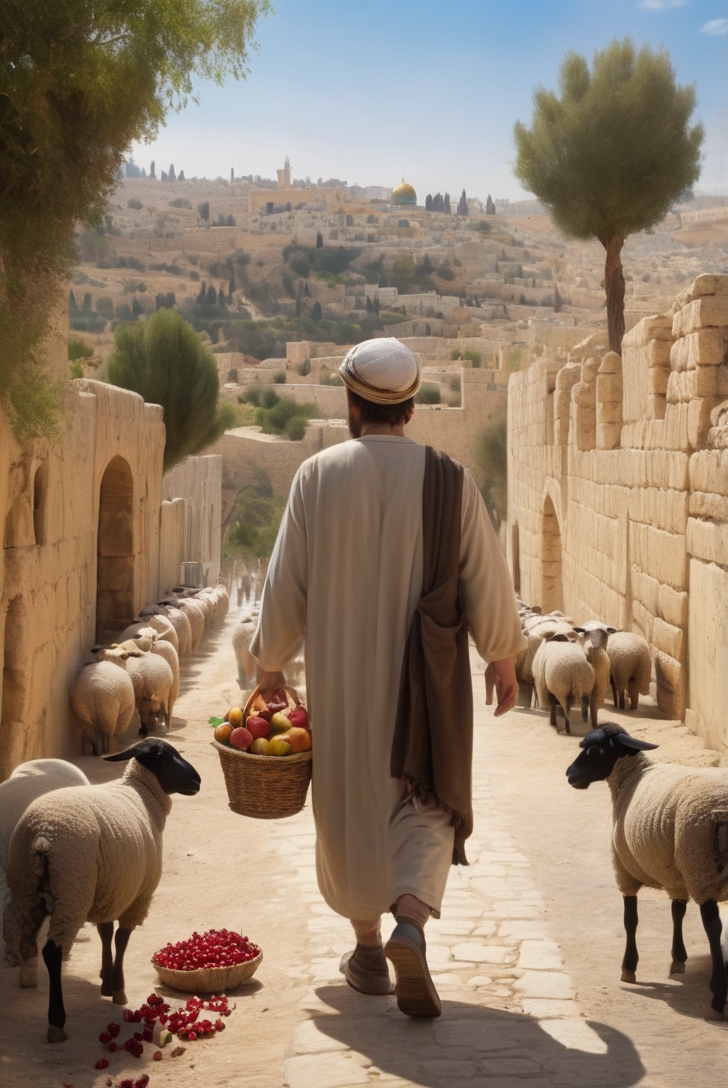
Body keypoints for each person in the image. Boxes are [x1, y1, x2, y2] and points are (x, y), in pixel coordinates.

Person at [251, 338, 526, 1018]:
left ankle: (368, 949)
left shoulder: (316, 476)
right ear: (412, 405)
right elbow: (486, 574)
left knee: (348, 808)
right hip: (426, 689)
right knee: (426, 797)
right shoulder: (451, 480)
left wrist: (270, 664)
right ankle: (409, 921)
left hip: (341, 682)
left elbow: (286, 583)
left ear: (352, 402)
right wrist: (501, 654)